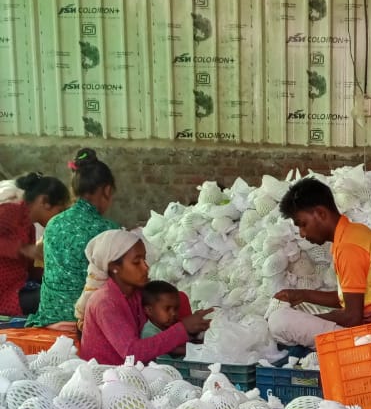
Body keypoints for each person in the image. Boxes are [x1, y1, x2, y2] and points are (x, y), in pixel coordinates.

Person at [267, 176, 371, 344]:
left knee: (279, 322)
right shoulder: (354, 233)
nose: (302, 233)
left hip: (368, 337)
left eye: (303, 224)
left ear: (321, 213)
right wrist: (302, 295)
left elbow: (353, 317)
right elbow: (350, 297)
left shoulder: (349, 247)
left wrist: (313, 320)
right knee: (297, 309)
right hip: (369, 325)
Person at [78, 230, 212, 365]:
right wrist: (183, 328)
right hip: (106, 377)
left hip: (132, 371)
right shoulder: (105, 302)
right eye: (137, 262)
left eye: (144, 259)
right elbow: (132, 353)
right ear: (114, 268)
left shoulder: (136, 293)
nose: (145, 267)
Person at [28, 148, 120, 328]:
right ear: (107, 191)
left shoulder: (54, 223)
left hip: (49, 318)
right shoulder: (108, 230)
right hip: (84, 324)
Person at [0, 172, 70, 317]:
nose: (60, 218)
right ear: (44, 201)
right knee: (57, 298)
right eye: (60, 211)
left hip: (17, 288)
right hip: (4, 295)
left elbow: (30, 269)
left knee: (63, 290)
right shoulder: (9, 212)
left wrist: (51, 273)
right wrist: (22, 248)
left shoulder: (30, 227)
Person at [141, 279, 196, 355]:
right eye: (167, 309)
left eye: (176, 309)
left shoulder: (171, 326)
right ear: (149, 310)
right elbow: (172, 350)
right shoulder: (149, 332)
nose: (173, 313)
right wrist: (196, 350)